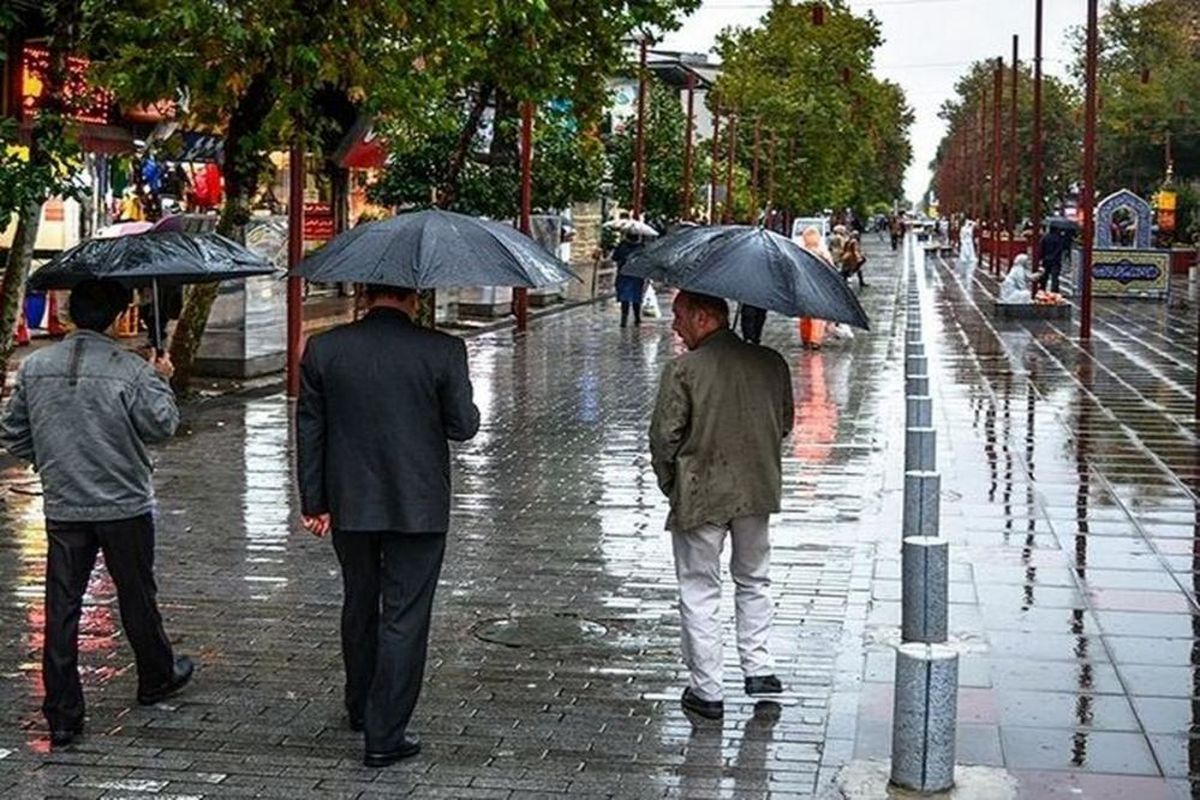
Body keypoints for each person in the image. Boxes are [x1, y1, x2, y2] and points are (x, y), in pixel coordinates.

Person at [0, 279, 192, 748]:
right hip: (123, 502)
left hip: (65, 502)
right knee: (136, 594)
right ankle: (155, 674)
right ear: (114, 316)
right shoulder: (130, 369)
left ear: (70, 315)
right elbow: (162, 426)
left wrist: (49, 460)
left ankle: (62, 713)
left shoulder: (35, 367)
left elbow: (13, 431)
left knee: (62, 606)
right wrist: (162, 381)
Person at [297, 283, 480, 768]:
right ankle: (385, 732)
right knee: (404, 615)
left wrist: (313, 502)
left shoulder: (326, 348)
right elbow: (463, 426)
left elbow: (309, 428)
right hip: (418, 507)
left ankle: (359, 704)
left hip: (349, 503)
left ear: (363, 294)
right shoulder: (443, 349)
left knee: (359, 600)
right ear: (414, 298)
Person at [649, 291, 794, 720]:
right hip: (757, 491)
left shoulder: (684, 370)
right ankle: (759, 666)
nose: (675, 326)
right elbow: (784, 423)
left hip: (700, 493)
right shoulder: (772, 363)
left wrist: (671, 484)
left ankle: (708, 689)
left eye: (679, 316)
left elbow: (663, 439)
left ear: (703, 317)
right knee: (754, 578)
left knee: (699, 589)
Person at [798, 226, 832, 349]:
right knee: (818, 315)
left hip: (804, 286)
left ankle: (806, 337)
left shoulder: (800, 252)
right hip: (820, 287)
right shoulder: (823, 253)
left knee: (805, 314)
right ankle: (815, 339)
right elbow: (831, 270)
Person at [613, 232, 646, 327]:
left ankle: (624, 318)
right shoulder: (641, 247)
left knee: (625, 297)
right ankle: (637, 317)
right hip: (637, 274)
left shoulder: (622, 246)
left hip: (624, 274)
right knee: (636, 296)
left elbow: (615, 257)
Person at [1038, 226, 1069, 294]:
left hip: (1046, 259)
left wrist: (1040, 258)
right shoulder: (1059, 238)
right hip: (1056, 260)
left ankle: (1042, 290)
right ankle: (1054, 291)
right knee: (1055, 277)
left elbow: (1041, 248)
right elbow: (1063, 248)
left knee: (1044, 276)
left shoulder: (1045, 237)